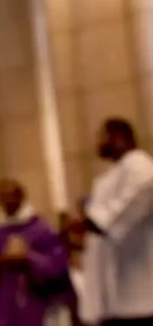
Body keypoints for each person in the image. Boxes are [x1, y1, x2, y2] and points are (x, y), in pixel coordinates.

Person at [80, 117, 153, 326]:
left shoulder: (141, 166)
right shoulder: (114, 174)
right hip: (116, 296)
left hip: (141, 295)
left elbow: (118, 215)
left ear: (119, 137)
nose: (96, 144)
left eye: (101, 137)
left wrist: (90, 220)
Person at [0, 178, 69, 325]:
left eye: (11, 195)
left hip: (34, 300)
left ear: (21, 196)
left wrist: (29, 259)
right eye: (2, 197)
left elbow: (57, 264)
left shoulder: (42, 230)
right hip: (3, 304)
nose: (7, 201)